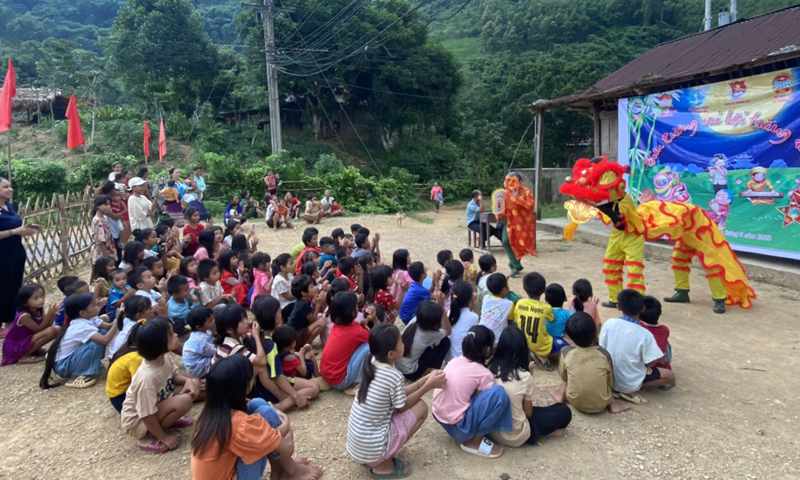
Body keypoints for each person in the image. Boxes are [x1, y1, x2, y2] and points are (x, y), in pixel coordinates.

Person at [191, 355, 324, 480]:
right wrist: (285, 424)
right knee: (266, 421)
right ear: (243, 386)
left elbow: (263, 413)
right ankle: (290, 471)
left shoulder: (213, 412)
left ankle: (281, 468)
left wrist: (272, 430)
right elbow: (288, 447)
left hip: (226, 469)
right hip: (231, 474)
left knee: (259, 405)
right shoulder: (239, 424)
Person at [347, 323, 446, 478]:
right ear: (391, 354)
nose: (404, 345)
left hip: (358, 447)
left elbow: (395, 395)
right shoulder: (393, 376)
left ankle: (377, 457)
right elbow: (402, 406)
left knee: (414, 404)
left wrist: (423, 381)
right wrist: (428, 386)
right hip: (373, 448)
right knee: (421, 408)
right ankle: (383, 464)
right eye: (401, 343)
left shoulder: (373, 362)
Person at [120, 318, 199, 453]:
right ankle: (147, 438)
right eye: (170, 333)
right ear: (159, 343)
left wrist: (188, 381)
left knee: (193, 385)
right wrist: (163, 437)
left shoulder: (164, 357)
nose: (175, 335)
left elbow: (173, 377)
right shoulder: (147, 378)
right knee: (184, 400)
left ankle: (166, 421)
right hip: (137, 421)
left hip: (156, 404)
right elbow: (146, 414)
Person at [431, 325, 510, 458]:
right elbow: (486, 401)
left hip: (439, 416)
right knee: (499, 394)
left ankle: (466, 430)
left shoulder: (453, 361)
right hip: (459, 428)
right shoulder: (484, 373)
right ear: (488, 350)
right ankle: (474, 442)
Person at [489, 326, 572, 447]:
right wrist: (530, 377)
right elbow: (528, 413)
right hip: (514, 435)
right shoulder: (524, 376)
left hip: (492, 431)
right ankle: (545, 433)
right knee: (564, 411)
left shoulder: (489, 368)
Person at [599, 289, 675, 404]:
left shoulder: (609, 323)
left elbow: (602, 348)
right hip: (630, 380)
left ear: (618, 307)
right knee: (670, 376)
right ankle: (631, 390)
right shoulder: (645, 334)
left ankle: (616, 388)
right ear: (643, 309)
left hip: (609, 376)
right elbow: (650, 363)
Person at [550, 312, 629, 414]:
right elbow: (609, 382)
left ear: (570, 336)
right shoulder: (604, 354)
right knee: (602, 378)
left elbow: (564, 377)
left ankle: (561, 395)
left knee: (568, 373)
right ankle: (613, 404)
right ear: (594, 332)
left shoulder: (566, 352)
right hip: (602, 403)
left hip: (575, 401)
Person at [250, 296, 320, 411]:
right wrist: (296, 396)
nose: (281, 313)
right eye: (279, 311)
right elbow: (277, 376)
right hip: (270, 389)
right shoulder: (270, 345)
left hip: (259, 389)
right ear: (273, 317)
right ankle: (282, 405)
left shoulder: (255, 336)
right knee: (314, 387)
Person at [40, 293, 120, 389]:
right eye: (93, 306)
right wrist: (117, 320)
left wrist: (117, 318)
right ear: (82, 313)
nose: (96, 307)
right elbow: (105, 340)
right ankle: (74, 377)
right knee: (95, 344)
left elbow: (108, 327)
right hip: (62, 366)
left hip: (66, 361)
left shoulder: (89, 318)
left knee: (102, 331)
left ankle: (89, 365)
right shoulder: (80, 326)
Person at [0, 178, 40, 339]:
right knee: (2, 287)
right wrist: (16, 231)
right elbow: (12, 229)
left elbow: (15, 227)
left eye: (11, 186)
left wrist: (26, 229)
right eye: (6, 187)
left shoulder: (9, 206)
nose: (10, 189)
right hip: (2, 253)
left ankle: (9, 322)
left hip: (15, 251)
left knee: (14, 287)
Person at [320, 291, 373, 393]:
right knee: (368, 347)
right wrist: (374, 321)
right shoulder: (355, 331)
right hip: (340, 382)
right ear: (352, 312)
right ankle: (355, 384)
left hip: (327, 374)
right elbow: (374, 339)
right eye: (356, 306)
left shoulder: (336, 325)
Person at [396, 297, 451, 381]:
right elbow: (448, 330)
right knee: (445, 342)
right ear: (434, 324)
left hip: (399, 366)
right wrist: (442, 308)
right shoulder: (430, 335)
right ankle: (423, 376)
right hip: (411, 373)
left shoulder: (416, 320)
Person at [1, 285, 59, 366]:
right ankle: (23, 356)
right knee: (51, 331)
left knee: (57, 329)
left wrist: (53, 315)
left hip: (26, 339)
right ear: (24, 302)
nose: (41, 300)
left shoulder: (38, 310)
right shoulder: (23, 315)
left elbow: (46, 326)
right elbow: (38, 329)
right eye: (35, 298)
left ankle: (34, 350)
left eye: (42, 296)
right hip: (15, 346)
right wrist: (49, 315)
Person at [497, 173, 537, 277]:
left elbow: (530, 206)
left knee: (519, 244)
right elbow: (504, 209)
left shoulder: (527, 192)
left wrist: (518, 198)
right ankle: (516, 264)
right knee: (505, 241)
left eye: (513, 180)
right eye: (507, 180)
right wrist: (499, 214)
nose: (510, 183)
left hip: (523, 224)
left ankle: (513, 264)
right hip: (510, 222)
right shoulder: (506, 193)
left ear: (520, 182)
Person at [513, 272, 554, 370]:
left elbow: (515, 320)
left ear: (524, 288)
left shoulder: (519, 303)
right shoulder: (546, 307)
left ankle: (527, 353)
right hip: (539, 344)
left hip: (521, 342)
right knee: (555, 340)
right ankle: (542, 359)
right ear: (544, 290)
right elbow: (552, 319)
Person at [639, 296, 674, 388]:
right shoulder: (664, 329)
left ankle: (638, 384)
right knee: (666, 345)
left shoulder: (637, 327)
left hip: (643, 367)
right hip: (658, 366)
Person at [286, 275, 327, 349]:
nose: (315, 287)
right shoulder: (302, 305)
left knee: (320, 315)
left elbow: (311, 316)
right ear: (304, 293)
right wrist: (318, 304)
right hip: (296, 336)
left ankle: (305, 343)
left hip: (298, 331)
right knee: (322, 322)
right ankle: (304, 347)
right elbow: (312, 320)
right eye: (312, 287)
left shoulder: (302, 301)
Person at [479, 273, 514, 346]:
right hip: (497, 342)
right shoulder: (509, 304)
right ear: (504, 289)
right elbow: (510, 321)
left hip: (482, 337)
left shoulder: (486, 298)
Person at [446, 281, 479, 361]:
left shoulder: (450, 312)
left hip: (448, 358)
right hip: (463, 359)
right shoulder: (474, 317)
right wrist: (474, 304)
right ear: (470, 298)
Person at [182, 307, 216, 378]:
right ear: (199, 327)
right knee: (221, 356)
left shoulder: (202, 332)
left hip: (197, 363)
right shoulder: (201, 340)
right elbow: (215, 351)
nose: (214, 321)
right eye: (210, 321)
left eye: (213, 318)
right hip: (197, 370)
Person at [90, 195, 116, 264]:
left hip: (108, 248)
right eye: (105, 204)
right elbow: (98, 239)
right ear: (98, 206)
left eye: (109, 204)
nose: (108, 206)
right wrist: (105, 253)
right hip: (102, 250)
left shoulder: (104, 218)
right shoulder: (97, 220)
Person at [544, 284, 570, 354]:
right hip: (560, 348)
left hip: (544, 346)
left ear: (546, 299)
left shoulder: (543, 312)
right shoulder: (567, 314)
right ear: (565, 298)